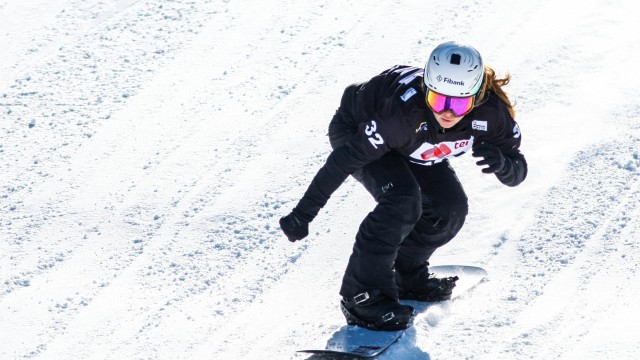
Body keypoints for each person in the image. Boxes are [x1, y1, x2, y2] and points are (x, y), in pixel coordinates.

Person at [279, 41, 527, 331]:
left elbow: (518, 171)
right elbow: (341, 162)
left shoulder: (491, 115)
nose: (447, 113)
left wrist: (503, 164)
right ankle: (361, 297)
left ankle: (405, 274)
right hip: (357, 129)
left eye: (459, 103)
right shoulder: (400, 114)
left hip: (413, 146)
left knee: (450, 209)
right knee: (402, 199)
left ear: (477, 97)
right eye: (438, 100)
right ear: (426, 90)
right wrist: (303, 213)